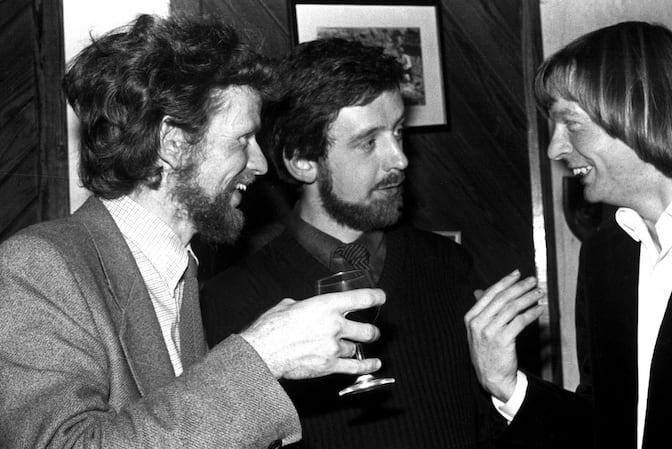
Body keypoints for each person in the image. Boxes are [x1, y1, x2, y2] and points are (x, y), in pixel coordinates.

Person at [0, 15, 386, 448]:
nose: (260, 164)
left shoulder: (178, 270)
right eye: (242, 140)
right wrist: (261, 357)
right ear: (174, 143)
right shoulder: (36, 267)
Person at [466, 21, 672, 449]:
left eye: (570, 123)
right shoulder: (605, 255)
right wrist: (507, 384)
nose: (554, 149)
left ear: (640, 113)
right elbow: (607, 425)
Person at [201, 38, 502, 448]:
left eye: (398, 132)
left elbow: (489, 429)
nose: (399, 159)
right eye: (368, 142)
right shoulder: (231, 302)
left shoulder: (450, 264)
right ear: (302, 161)